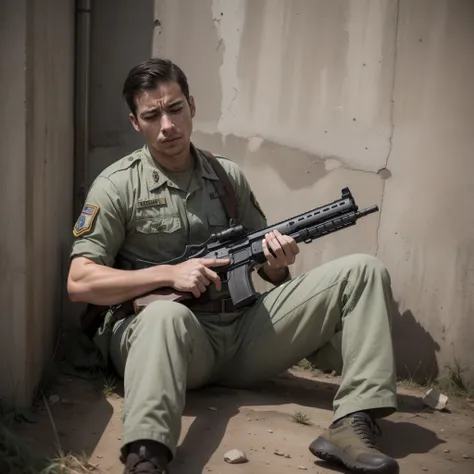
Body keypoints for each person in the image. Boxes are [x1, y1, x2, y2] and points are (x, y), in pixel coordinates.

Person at [67, 57, 399, 474]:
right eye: (152, 115)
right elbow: (79, 281)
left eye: (175, 109)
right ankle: (147, 456)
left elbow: (265, 271)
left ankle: (352, 424)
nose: (167, 125)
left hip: (241, 337)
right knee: (165, 314)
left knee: (363, 270)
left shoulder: (228, 177)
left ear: (191, 105)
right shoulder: (117, 186)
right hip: (173, 343)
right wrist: (170, 275)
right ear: (136, 123)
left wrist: (277, 265)